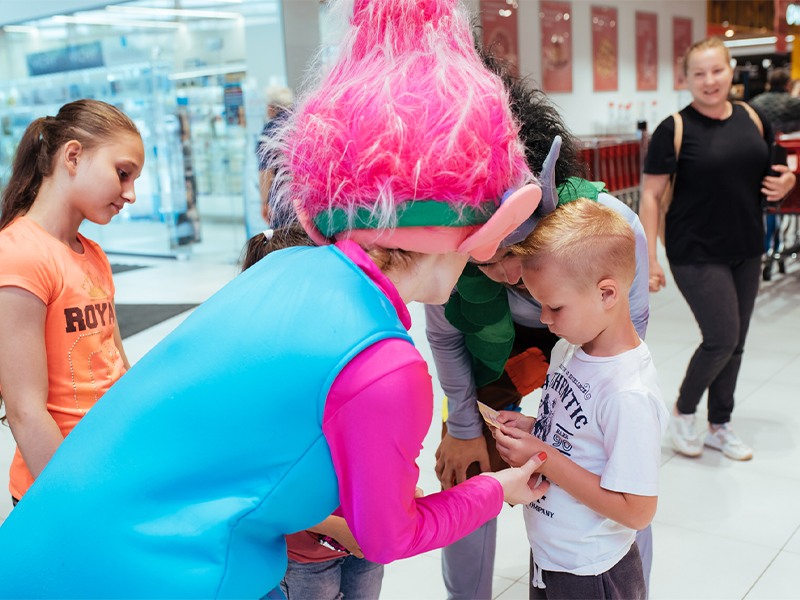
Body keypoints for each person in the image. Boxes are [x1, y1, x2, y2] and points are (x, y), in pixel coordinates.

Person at [0, 0, 551, 597]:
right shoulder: (386, 365)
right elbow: (386, 535)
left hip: (52, 551)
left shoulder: (287, 269)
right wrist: (496, 488)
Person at [427, 57, 654, 600]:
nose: (509, 276)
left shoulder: (606, 230)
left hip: (581, 344)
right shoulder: (447, 247)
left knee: (613, 469)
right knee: (464, 472)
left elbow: (627, 339)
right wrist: (463, 426)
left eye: (516, 254)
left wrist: (582, 428)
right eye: (484, 263)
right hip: (490, 356)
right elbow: (444, 335)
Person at [492, 198, 669, 600]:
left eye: (554, 307)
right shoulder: (567, 350)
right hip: (550, 555)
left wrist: (543, 457)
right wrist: (534, 430)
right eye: (539, 304)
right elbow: (580, 436)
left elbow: (638, 511)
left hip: (593, 572)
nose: (543, 318)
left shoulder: (628, 394)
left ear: (606, 294)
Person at [640, 37, 796, 461]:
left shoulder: (753, 117)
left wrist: (787, 181)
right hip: (694, 250)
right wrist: (649, 258)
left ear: (731, 72)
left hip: (747, 245)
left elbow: (779, 166)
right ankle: (684, 410)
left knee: (737, 341)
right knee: (721, 337)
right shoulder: (673, 129)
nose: (709, 81)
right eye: (699, 73)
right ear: (686, 79)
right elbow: (650, 196)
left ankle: (719, 424)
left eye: (717, 71)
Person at [0, 99, 141, 506]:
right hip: (62, 492)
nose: (130, 194)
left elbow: (116, 365)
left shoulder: (93, 254)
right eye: (123, 173)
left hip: (110, 472)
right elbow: (26, 410)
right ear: (73, 156)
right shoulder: (20, 254)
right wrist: (75, 504)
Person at [242, 224, 385, 600]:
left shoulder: (348, 354)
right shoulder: (261, 381)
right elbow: (264, 488)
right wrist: (337, 528)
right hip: (305, 553)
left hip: (364, 537)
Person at [257, 86, 293, 226]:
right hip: (307, 200)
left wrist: (264, 202)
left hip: (282, 201)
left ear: (271, 107)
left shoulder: (271, 130)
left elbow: (266, 170)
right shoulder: (302, 122)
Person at [749, 67, 800, 134]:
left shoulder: (755, 101)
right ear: (788, 84)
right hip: (786, 139)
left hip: (759, 138)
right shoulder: (793, 102)